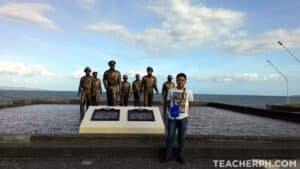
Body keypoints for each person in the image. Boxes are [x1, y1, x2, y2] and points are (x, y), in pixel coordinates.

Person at [164, 73, 193, 164]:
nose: (180, 81)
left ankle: (180, 156)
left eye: (182, 80)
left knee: (182, 138)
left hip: (183, 118)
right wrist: (171, 112)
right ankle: (168, 156)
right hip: (172, 118)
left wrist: (184, 112)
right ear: (176, 80)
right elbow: (168, 103)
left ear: (185, 81)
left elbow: (190, 104)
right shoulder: (171, 91)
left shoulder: (189, 92)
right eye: (179, 80)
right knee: (170, 137)